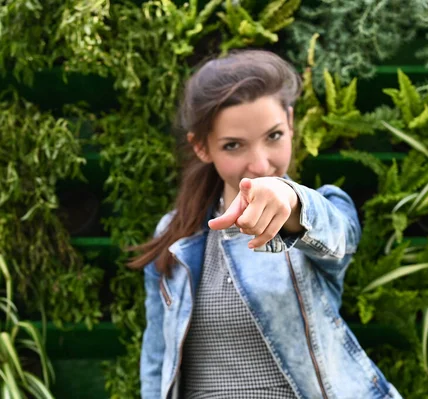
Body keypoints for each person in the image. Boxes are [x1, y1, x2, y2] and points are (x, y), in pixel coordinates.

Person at [129, 49, 403, 399]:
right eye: (233, 146)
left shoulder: (319, 214)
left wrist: (289, 202)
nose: (259, 165)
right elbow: (157, 360)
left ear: (290, 122)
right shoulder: (175, 237)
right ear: (201, 147)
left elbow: (338, 236)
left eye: (273, 136)